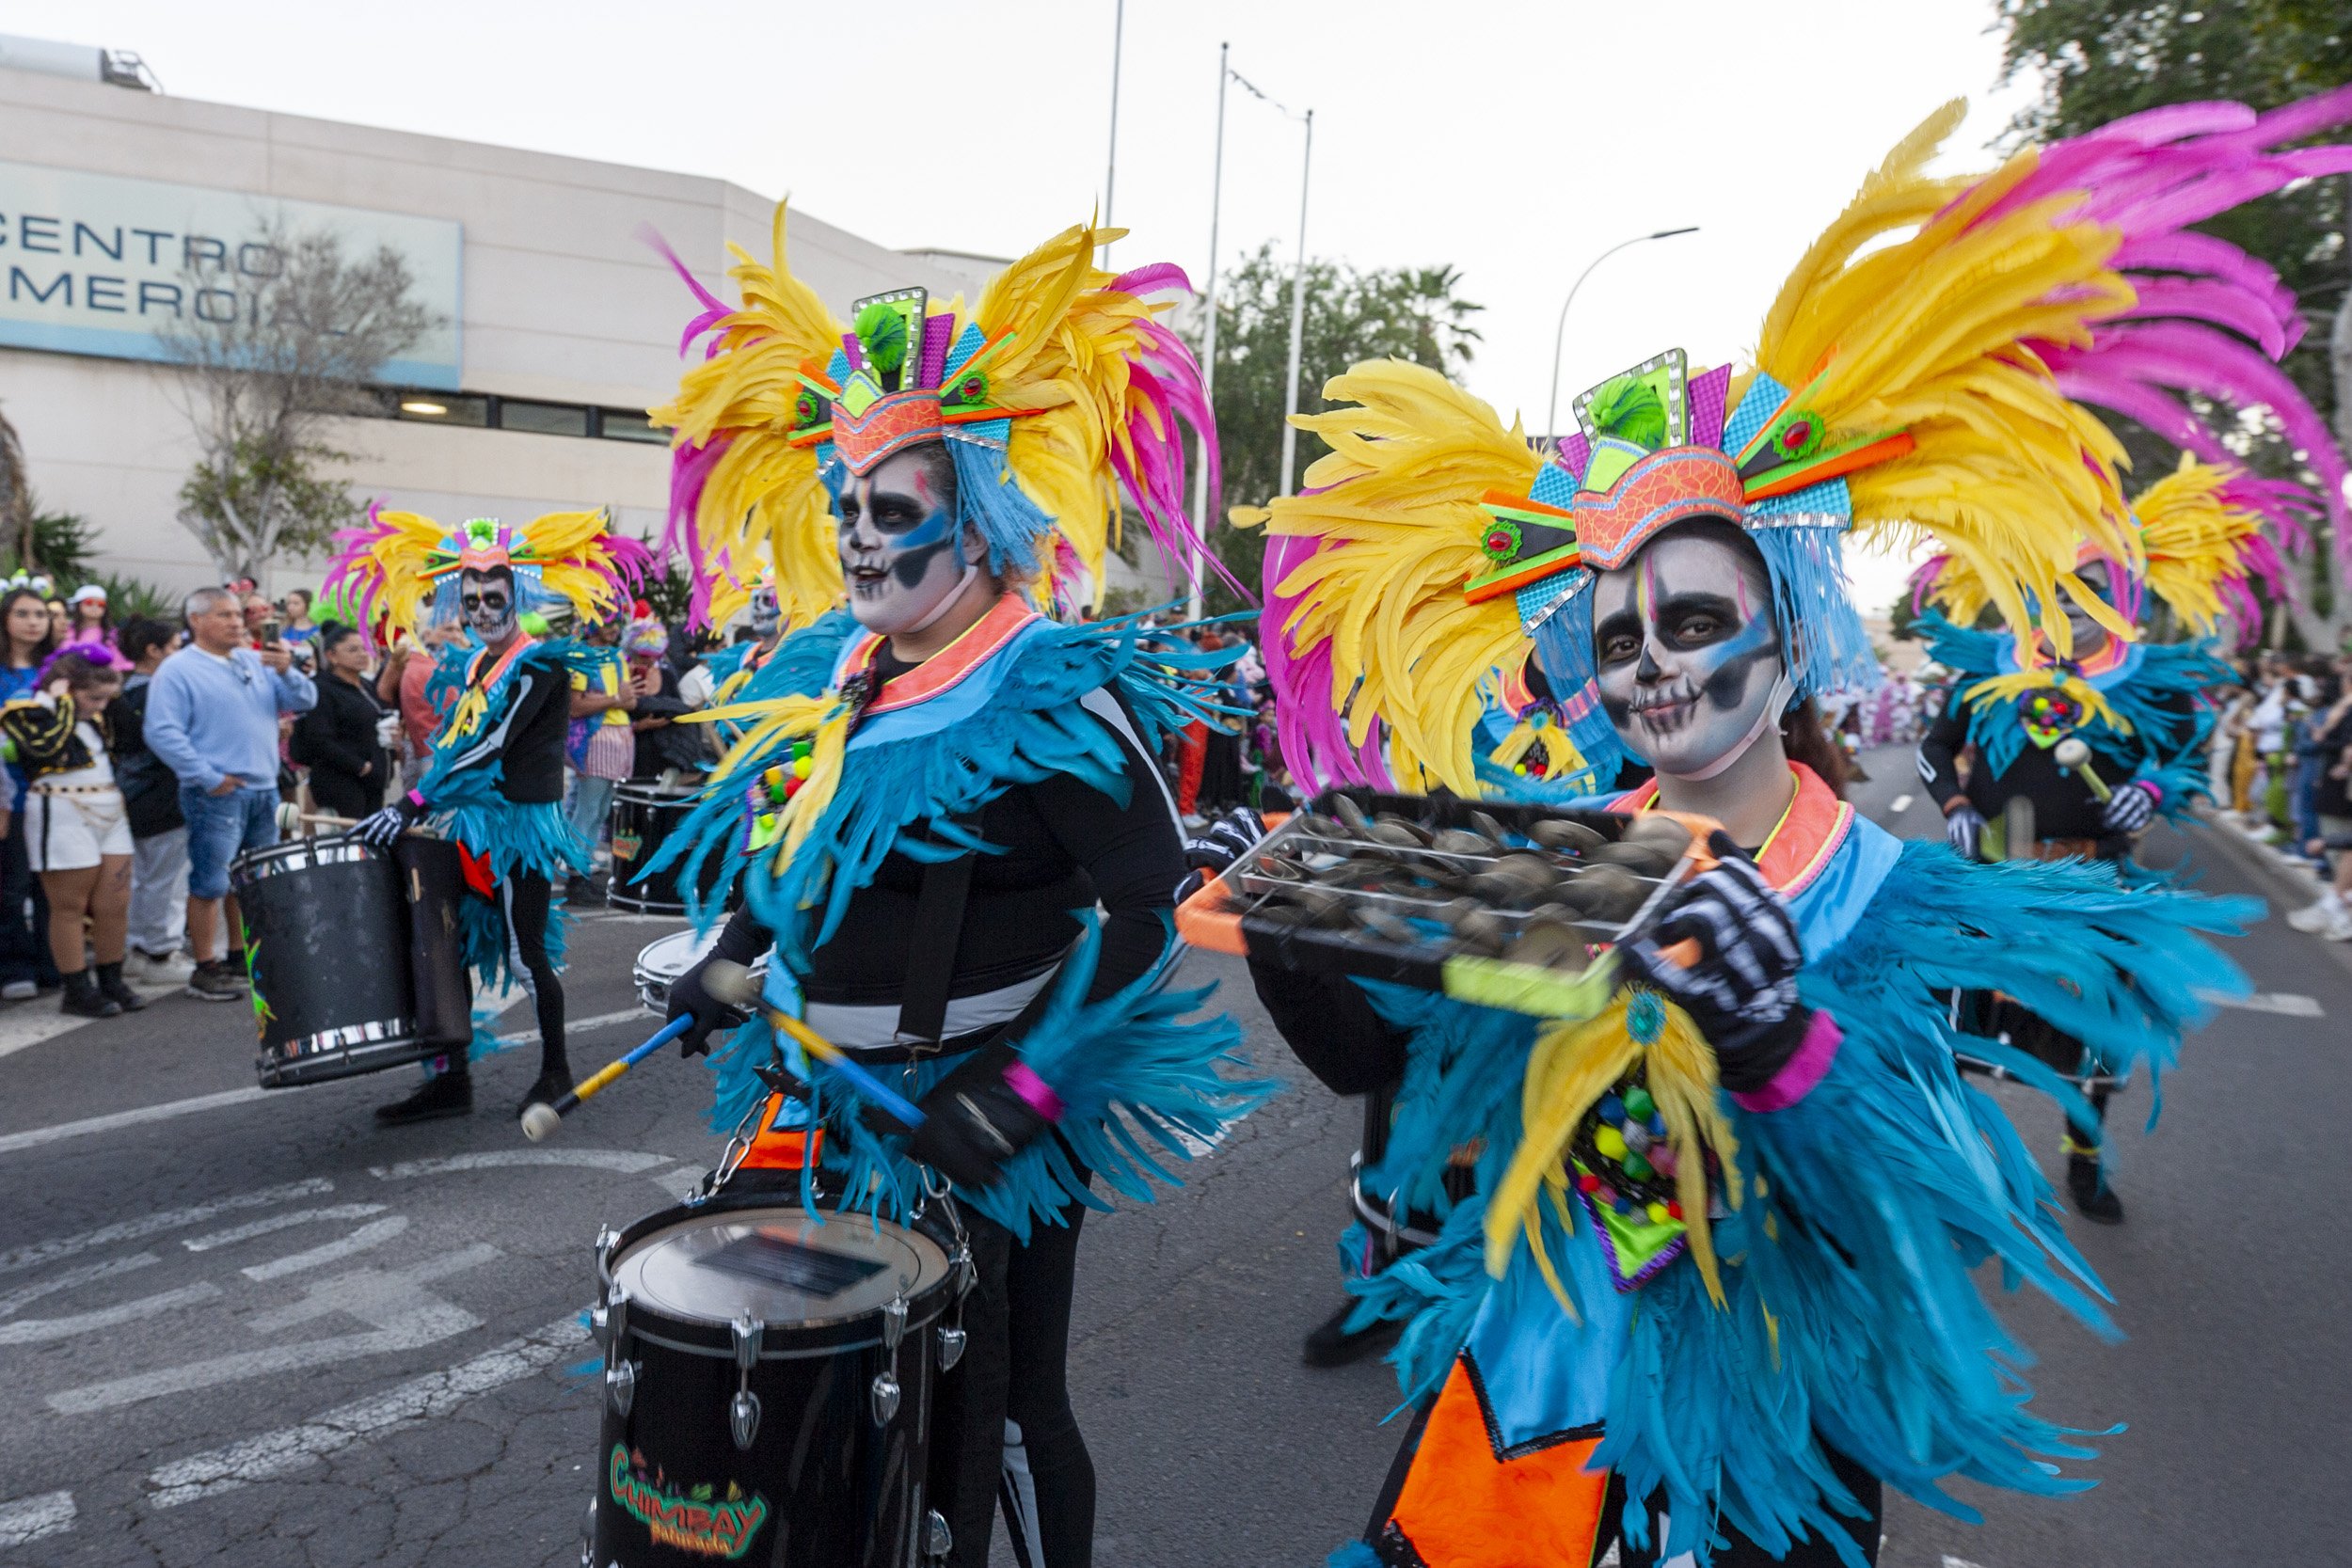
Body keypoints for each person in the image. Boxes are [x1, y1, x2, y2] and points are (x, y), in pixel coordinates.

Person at [1231, 88, 2309, 1566]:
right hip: (1532, 1395)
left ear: (1788, 640)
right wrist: (1294, 931)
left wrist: (1777, 1047)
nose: (1654, 663)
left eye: (1691, 618)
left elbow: (1915, 1244)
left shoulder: (1890, 896)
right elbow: (1401, 1092)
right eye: (1620, 640)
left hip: (1764, 1444)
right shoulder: (1557, 854)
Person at [647, 216, 1249, 1568]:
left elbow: (1148, 912)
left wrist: (1022, 1089)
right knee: (825, 1406)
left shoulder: (1048, 682)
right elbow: (787, 850)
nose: (858, 540)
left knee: (1003, 1411)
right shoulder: (833, 669)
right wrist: (729, 956)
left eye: (894, 512)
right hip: (823, 1106)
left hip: (990, 1108)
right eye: (845, 509)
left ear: (976, 521)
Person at [1912, 457, 2274, 1222]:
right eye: (2056, 593)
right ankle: (1958, 1163)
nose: (2072, 609)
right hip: (1997, 868)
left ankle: (2084, 1160)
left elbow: (2183, 751)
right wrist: (1951, 801)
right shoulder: (1986, 669)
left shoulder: (2146, 678)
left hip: (2097, 876)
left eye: (2089, 593)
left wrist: (2148, 789)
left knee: (2098, 1032)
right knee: (1959, 1022)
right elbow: (1934, 745)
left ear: (2113, 599)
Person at [329, 506, 647, 1124]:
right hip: (464, 825)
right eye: (470, 598)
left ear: (518, 592)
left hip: (516, 829)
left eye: (492, 596)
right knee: (445, 947)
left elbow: (492, 745)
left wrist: (412, 801)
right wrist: (428, 802)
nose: (480, 609)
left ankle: (555, 1070)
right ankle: (451, 1079)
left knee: (528, 955)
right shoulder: (477, 663)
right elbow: (459, 742)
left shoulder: (542, 661)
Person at [142, 586, 316, 1002]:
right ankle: (206, 965)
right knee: (211, 881)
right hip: (217, 792)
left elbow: (305, 699)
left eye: (239, 615)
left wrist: (286, 670)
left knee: (250, 880)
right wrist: (206, 775)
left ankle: (241, 955)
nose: (237, 622)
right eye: (224, 615)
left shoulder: (252, 660)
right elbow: (162, 731)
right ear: (196, 621)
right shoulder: (178, 668)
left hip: (262, 788)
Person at [1, 652, 140, 1016]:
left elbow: (133, 738)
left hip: (108, 808)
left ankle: (112, 978)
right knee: (69, 906)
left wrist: (111, 696)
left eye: (105, 699)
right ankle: (76, 988)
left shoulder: (96, 717)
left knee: (115, 902)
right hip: (59, 808)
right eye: (92, 698)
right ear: (66, 688)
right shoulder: (27, 710)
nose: (99, 707)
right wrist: (62, 701)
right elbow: (47, 747)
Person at [113, 617, 192, 985]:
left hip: (133, 795)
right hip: (162, 795)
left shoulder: (125, 691)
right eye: (176, 647)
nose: (181, 654)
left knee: (145, 878)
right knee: (168, 879)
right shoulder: (155, 692)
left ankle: (138, 949)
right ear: (153, 651)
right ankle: (160, 952)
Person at [0, 585, 62, 1000]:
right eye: (22, 613)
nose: (33, 621)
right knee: (12, 885)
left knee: (53, 884)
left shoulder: (58, 671)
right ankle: (13, 966)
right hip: (10, 795)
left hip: (56, 793)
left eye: (40, 614)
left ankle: (52, 963)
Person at [563, 611, 635, 896]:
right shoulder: (581, 658)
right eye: (608, 622)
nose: (615, 629)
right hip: (594, 739)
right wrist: (614, 699)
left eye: (617, 622)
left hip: (620, 739)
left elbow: (631, 701)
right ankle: (574, 874)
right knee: (587, 809)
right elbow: (575, 707)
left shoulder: (617, 658)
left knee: (602, 810)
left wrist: (603, 700)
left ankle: (584, 869)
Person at [289, 623, 389, 821]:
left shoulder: (366, 685)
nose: (362, 654)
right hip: (341, 781)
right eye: (353, 650)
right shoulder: (320, 689)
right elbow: (318, 739)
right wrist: (359, 766)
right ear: (331, 656)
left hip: (372, 780)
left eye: (364, 648)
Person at [65, 584, 116, 653]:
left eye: (101, 604)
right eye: (89, 602)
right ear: (78, 605)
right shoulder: (66, 629)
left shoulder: (111, 634)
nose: (95, 606)